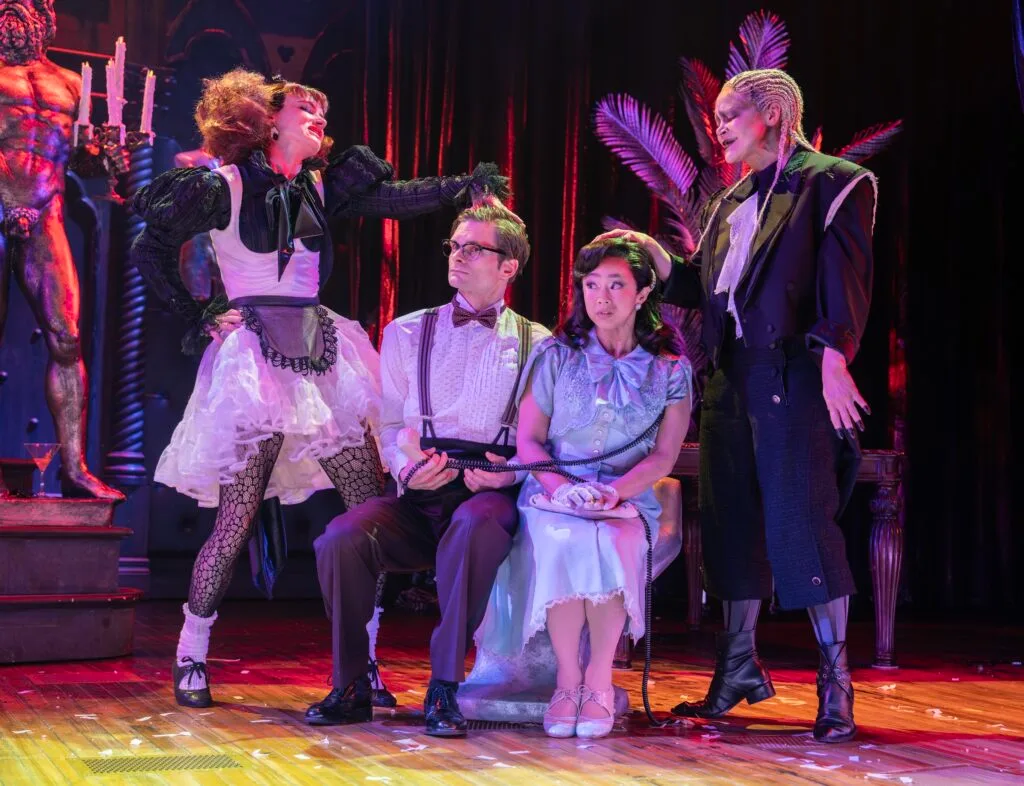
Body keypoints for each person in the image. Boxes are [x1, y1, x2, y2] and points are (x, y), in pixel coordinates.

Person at [130, 68, 508, 709]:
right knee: (236, 517)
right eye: (306, 109)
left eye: (322, 113)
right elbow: (151, 244)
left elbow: (398, 199)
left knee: (369, 511)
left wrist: (465, 186)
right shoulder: (221, 186)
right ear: (265, 118)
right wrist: (198, 310)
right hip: (254, 357)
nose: (319, 119)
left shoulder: (320, 186)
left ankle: (362, 669)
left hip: (323, 354)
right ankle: (192, 653)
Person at [619, 68, 876, 743]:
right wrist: (659, 261)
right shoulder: (732, 201)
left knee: (801, 523)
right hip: (731, 380)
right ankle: (736, 670)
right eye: (717, 117)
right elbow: (706, 293)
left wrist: (832, 356)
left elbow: (843, 282)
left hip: (792, 376)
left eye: (730, 114)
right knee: (732, 525)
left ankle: (835, 682)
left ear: (772, 114)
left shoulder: (833, 181)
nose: (720, 127)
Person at [306, 199, 549, 737]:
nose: (457, 256)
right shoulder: (406, 331)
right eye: (454, 246)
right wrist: (406, 469)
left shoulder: (541, 344)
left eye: (473, 248)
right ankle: (350, 684)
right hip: (422, 485)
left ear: (509, 266)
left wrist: (509, 474)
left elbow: (543, 442)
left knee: (472, 525)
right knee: (340, 538)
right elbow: (390, 426)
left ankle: (444, 687)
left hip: (489, 489)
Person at [474, 236, 692, 738]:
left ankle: (599, 678)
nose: (602, 297)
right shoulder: (556, 355)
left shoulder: (670, 369)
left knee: (611, 540)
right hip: (554, 491)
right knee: (566, 538)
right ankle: (567, 681)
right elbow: (529, 441)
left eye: (616, 285)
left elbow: (664, 454)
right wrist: (560, 488)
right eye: (592, 285)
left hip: (628, 495)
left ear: (642, 294)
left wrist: (615, 493)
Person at [0, 0, 123, 500]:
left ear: (46, 17)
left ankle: (74, 468)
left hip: (46, 213)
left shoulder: (73, 84)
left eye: (24, 6)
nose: (12, 13)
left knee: (67, 338)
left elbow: (82, 162)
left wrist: (106, 157)